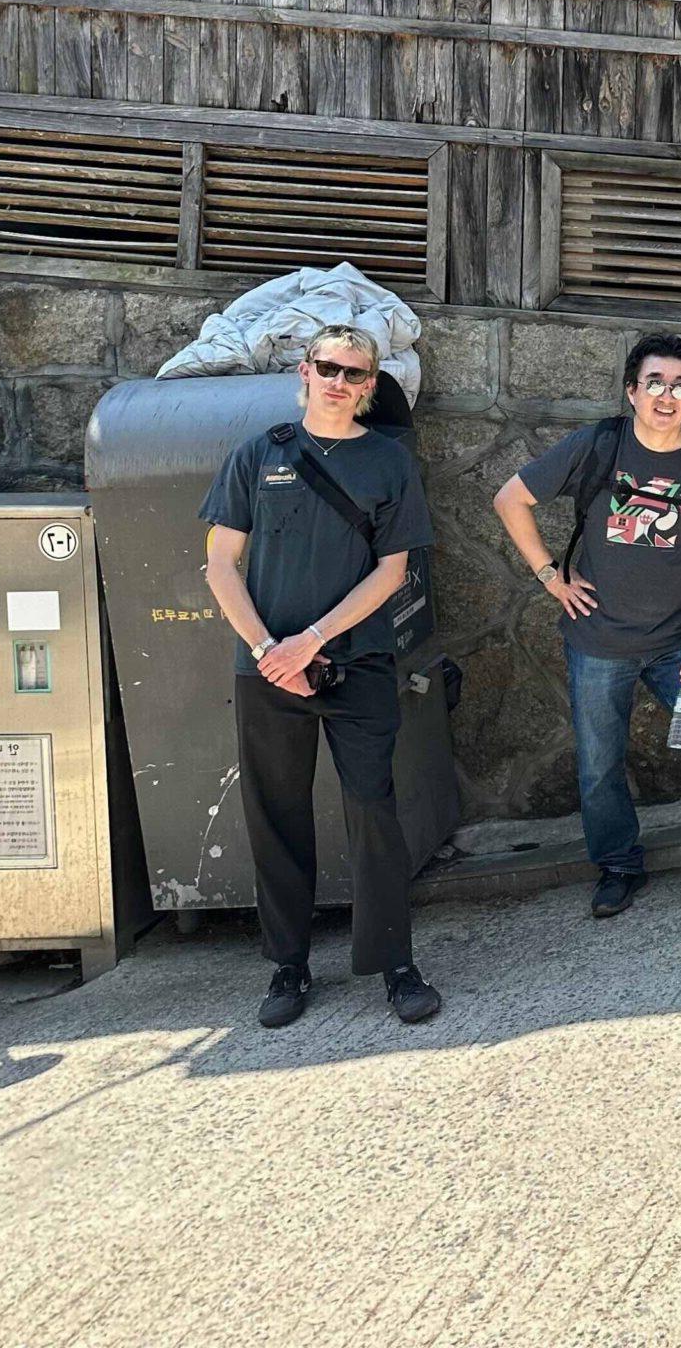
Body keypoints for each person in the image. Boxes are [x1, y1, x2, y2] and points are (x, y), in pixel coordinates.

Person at [199, 324, 442, 1028]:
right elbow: (220, 564)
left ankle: (396, 963)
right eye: (328, 367)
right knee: (275, 817)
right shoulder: (259, 456)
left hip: (355, 664)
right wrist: (270, 648)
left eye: (354, 373)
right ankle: (287, 966)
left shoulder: (388, 464)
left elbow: (393, 572)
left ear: (369, 387)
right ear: (305, 372)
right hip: (267, 670)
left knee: (373, 811)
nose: (339, 381)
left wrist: (310, 640)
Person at [494, 332, 681, 919]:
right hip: (598, 642)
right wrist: (550, 577)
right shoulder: (596, 445)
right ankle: (618, 866)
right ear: (632, 390)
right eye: (655, 382)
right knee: (599, 764)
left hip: (679, 643)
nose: (666, 395)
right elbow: (510, 499)